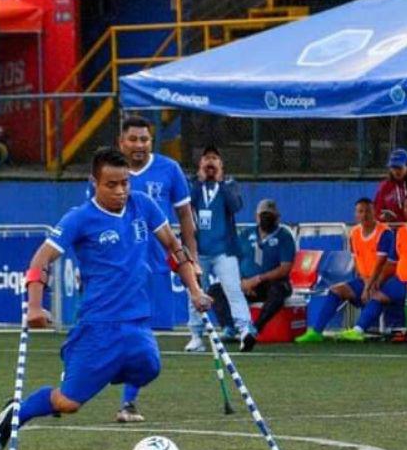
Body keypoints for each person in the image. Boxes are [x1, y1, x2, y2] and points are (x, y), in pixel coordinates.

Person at [0, 148, 211, 450]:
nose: (120, 191)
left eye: (125, 183)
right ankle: (17, 412)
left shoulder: (142, 205)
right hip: (98, 325)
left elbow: (174, 248)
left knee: (149, 367)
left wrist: (195, 291)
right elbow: (41, 259)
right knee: (68, 403)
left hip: (136, 321)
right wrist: (37, 306)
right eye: (112, 184)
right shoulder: (80, 218)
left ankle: (107, 372)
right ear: (95, 181)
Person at [108, 115, 199, 422]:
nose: (139, 145)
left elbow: (185, 217)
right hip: (116, 268)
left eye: (144, 139)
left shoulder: (168, 170)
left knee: (142, 333)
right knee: (111, 331)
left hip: (155, 267)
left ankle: (128, 402)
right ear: (121, 142)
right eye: (133, 139)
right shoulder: (107, 173)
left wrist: (192, 258)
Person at [183, 146, 255, 353]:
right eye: (207, 159)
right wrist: (200, 180)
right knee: (195, 291)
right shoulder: (194, 185)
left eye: (215, 159)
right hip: (198, 251)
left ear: (221, 165)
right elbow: (186, 205)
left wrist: (221, 182)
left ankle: (245, 330)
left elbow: (235, 206)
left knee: (233, 289)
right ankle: (196, 335)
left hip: (224, 250)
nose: (210, 162)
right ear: (200, 164)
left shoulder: (229, 185)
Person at [296, 197, 393, 343]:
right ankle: (316, 332)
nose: (365, 215)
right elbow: (357, 260)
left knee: (377, 295)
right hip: (365, 279)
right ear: (356, 215)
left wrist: (370, 284)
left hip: (383, 280)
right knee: (336, 289)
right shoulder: (354, 233)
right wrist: (365, 282)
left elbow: (382, 263)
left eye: (368, 211)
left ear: (375, 212)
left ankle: (358, 330)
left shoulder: (384, 232)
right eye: (361, 211)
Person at [233, 199, 296, 340]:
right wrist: (242, 281)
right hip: (246, 283)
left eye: (270, 216)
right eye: (263, 215)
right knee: (217, 289)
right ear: (257, 216)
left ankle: (255, 329)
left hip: (271, 283)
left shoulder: (284, 236)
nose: (266, 219)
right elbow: (234, 260)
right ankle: (230, 328)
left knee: (278, 291)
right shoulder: (245, 235)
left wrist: (257, 279)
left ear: (277, 218)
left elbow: (285, 268)